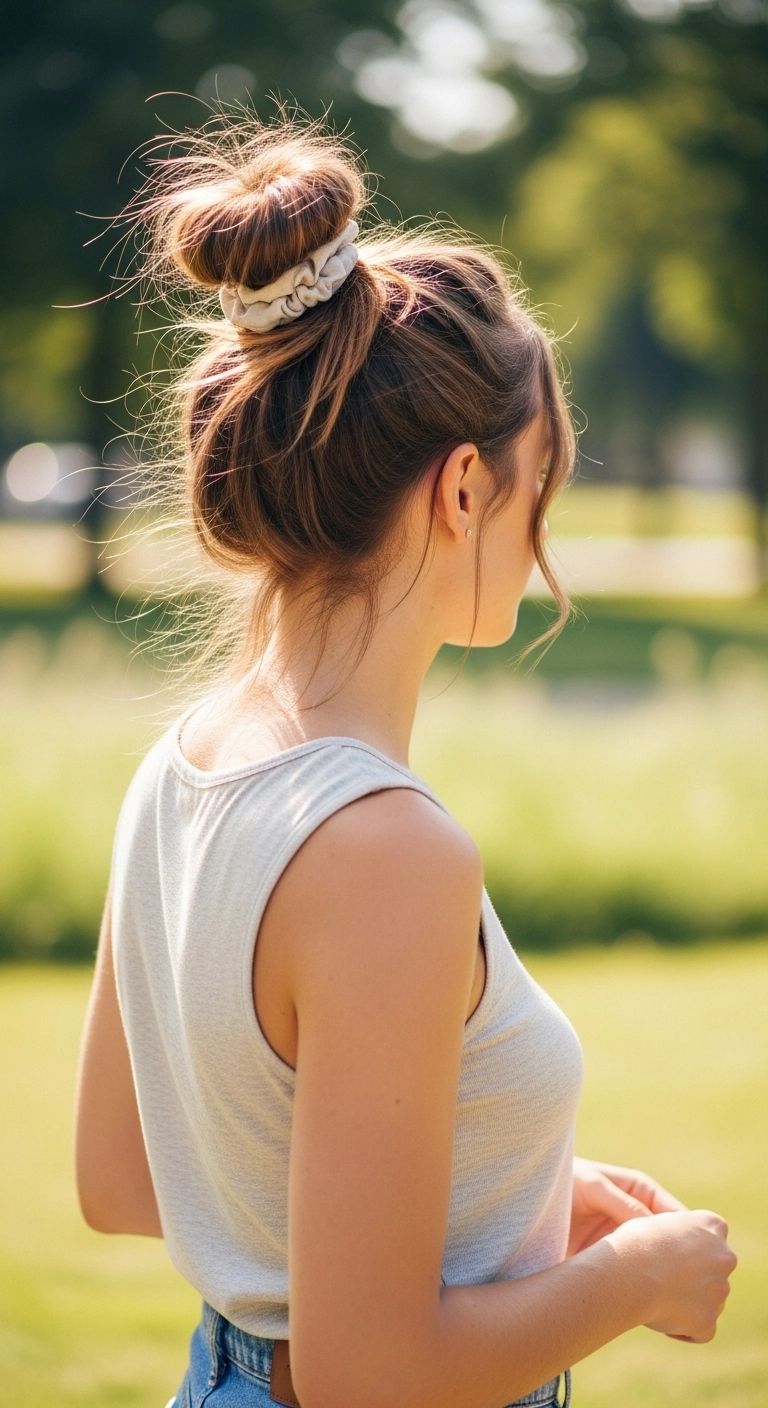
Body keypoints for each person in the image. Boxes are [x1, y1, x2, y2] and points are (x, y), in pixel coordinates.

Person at [74, 117, 736, 1408]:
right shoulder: (387, 853)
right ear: (466, 490)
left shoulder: (181, 764)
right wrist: (640, 1278)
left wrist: (514, 1196)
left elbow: (125, 1178)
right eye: (547, 486)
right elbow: (367, 1375)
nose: (548, 547)